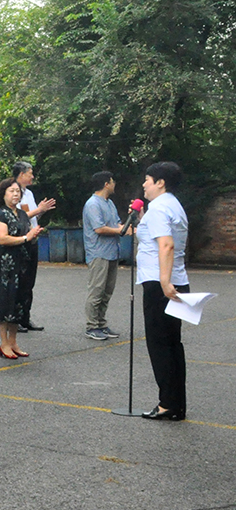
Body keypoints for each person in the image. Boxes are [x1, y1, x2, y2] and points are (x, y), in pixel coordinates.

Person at [136, 161, 190, 421]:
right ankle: (176, 403)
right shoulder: (173, 205)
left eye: (148, 180)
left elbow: (166, 245)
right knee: (172, 344)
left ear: (160, 182)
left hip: (160, 284)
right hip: (176, 279)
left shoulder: (158, 207)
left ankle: (167, 404)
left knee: (159, 344)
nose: (144, 184)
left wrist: (165, 282)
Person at [0, 179, 43, 360]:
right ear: (3, 194)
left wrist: (33, 235)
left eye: (17, 191)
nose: (15, 194)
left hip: (23, 262)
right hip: (7, 264)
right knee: (5, 301)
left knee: (19, 301)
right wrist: (26, 238)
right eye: (11, 191)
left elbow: (28, 233)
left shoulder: (22, 214)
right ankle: (4, 343)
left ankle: (13, 342)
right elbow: (3, 238)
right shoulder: (0, 214)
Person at [12, 161, 56, 332]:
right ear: (21, 174)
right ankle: (14, 319)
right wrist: (38, 210)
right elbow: (17, 216)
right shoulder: (12, 192)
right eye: (30, 173)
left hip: (33, 239)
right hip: (20, 240)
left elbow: (31, 216)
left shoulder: (28, 193)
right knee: (19, 281)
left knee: (29, 282)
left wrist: (41, 210)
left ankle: (25, 317)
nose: (32, 176)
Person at [82, 171, 124, 340]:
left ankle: (101, 324)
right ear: (106, 184)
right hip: (98, 253)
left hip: (112, 252)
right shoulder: (93, 204)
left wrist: (126, 228)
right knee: (96, 291)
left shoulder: (110, 203)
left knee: (107, 291)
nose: (114, 184)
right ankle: (91, 326)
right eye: (112, 181)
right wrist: (120, 230)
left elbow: (117, 223)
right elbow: (99, 228)